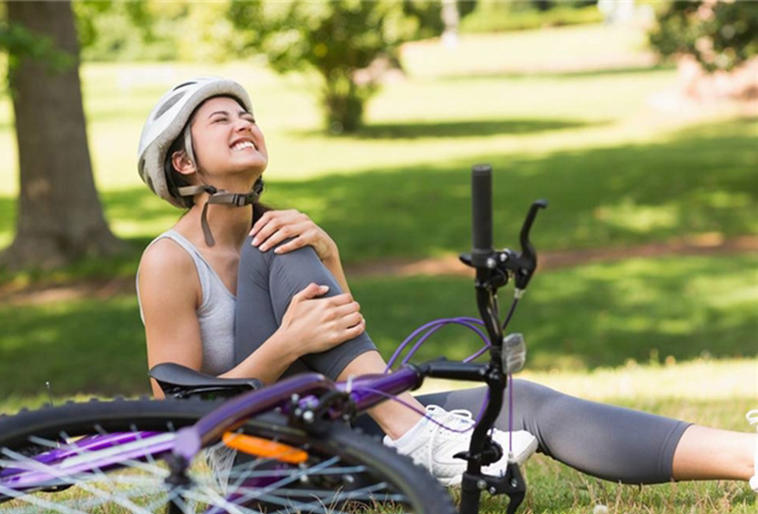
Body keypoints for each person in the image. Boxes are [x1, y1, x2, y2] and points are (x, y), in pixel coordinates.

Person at [136, 77, 757, 490]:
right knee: (285, 241)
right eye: (222, 120)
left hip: (328, 422)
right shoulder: (169, 261)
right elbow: (175, 418)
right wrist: (283, 343)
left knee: (522, 402)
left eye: (248, 115)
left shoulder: (279, 235)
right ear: (183, 164)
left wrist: (333, 260)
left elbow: (338, 347)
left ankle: (744, 456)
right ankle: (413, 431)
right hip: (257, 467)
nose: (244, 123)